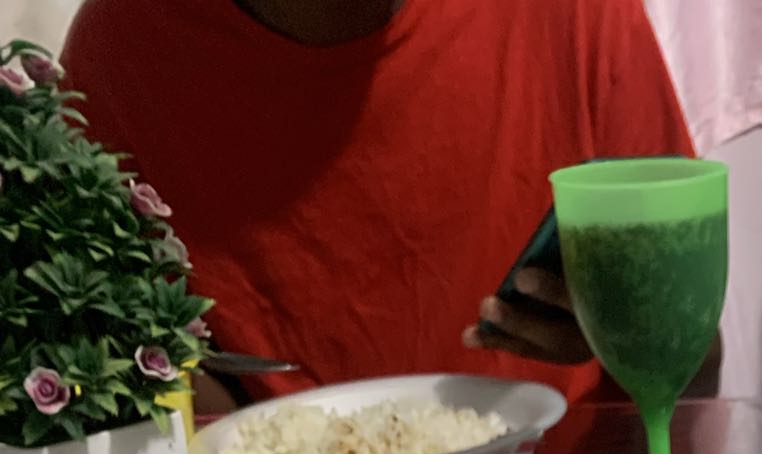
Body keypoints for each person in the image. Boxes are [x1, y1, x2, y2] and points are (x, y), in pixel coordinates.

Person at [61, 0, 696, 403]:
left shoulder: (573, 15)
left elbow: (699, 352)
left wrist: (629, 336)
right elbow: (115, 385)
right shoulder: (124, 49)